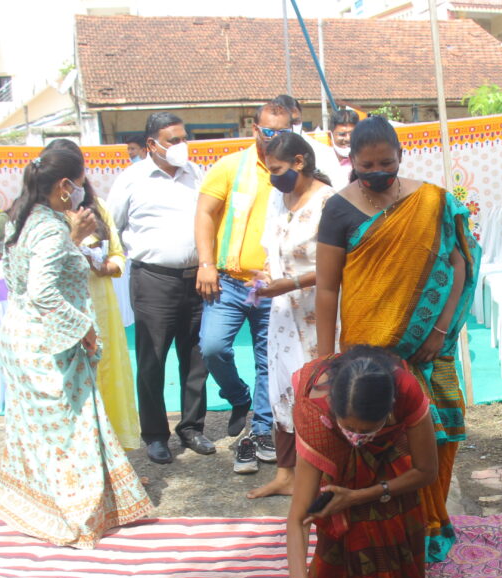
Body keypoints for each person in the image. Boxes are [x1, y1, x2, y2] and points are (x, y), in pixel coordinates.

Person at [315, 116, 480, 563]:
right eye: (367, 165)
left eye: (386, 163)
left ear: (400, 156)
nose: (377, 172)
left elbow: (458, 263)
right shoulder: (338, 209)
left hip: (430, 349)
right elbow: (327, 288)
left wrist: (440, 330)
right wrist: (325, 360)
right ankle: (381, 533)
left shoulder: (431, 201)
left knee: (438, 438)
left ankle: (429, 527)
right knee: (381, 442)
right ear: (352, 162)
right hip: (368, 354)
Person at [0, 146, 152, 548]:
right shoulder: (49, 228)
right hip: (47, 342)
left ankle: (39, 505)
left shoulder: (22, 217)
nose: (83, 191)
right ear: (65, 186)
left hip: (20, 336)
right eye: (80, 182)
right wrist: (84, 329)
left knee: (36, 429)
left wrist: (74, 239)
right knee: (67, 430)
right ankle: (76, 513)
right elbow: (42, 291)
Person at [285, 347, 438, 578]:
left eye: (367, 430)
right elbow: (299, 517)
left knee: (384, 514)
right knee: (330, 507)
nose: (356, 437)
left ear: (390, 411)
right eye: (350, 428)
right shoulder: (316, 414)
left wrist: (360, 496)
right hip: (333, 446)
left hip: (390, 458)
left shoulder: (406, 390)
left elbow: (425, 471)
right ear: (333, 407)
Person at [109, 112, 215, 464]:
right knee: (152, 360)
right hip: (153, 280)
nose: (182, 145)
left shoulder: (196, 174)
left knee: (197, 357)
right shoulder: (131, 179)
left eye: (185, 138)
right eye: (174, 140)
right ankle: (155, 435)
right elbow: (113, 226)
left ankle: (191, 427)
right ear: (152, 144)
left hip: (197, 278)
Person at [194, 102, 290, 474]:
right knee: (213, 347)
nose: (275, 138)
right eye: (269, 131)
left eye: (284, 132)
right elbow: (204, 213)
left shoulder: (293, 172)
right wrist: (206, 264)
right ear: (255, 129)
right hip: (229, 282)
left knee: (269, 359)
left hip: (273, 284)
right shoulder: (230, 167)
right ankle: (238, 396)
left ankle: (263, 429)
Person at [247, 132, 336, 499]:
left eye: (277, 169)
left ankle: (325, 476)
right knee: (282, 386)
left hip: (319, 310)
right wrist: (267, 279)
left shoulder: (329, 202)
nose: (273, 177)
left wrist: (292, 282)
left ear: (300, 162)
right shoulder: (278, 199)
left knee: (317, 390)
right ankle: (286, 474)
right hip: (284, 312)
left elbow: (338, 264)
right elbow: (275, 250)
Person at [44, 138, 141, 453]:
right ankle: (79, 458)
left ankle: (112, 455)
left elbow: (117, 255)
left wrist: (105, 266)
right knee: (71, 385)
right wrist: (74, 241)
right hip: (64, 310)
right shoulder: (42, 217)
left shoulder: (95, 208)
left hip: (101, 305)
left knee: (108, 376)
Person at [327, 107, 359, 184]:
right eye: (342, 134)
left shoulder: (365, 161)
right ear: (330, 135)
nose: (348, 139)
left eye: (352, 134)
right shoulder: (322, 162)